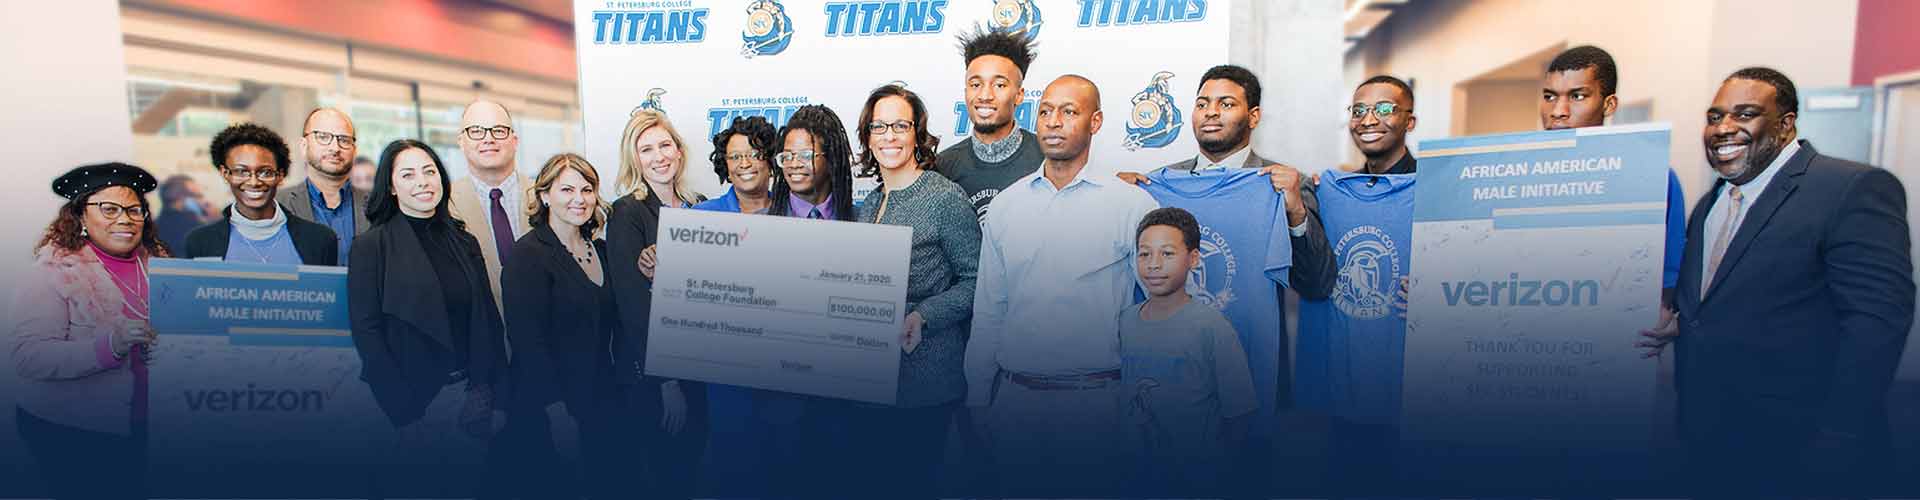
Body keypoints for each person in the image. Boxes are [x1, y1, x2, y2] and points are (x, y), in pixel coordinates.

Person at [1648, 67, 1913, 498]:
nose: (1723, 128)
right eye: (1715, 117)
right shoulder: (1712, 201)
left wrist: (1842, 434)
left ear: (1786, 124)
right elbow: (1723, 301)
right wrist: (1678, 321)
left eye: (1745, 114)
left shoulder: (1851, 188)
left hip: (1803, 447)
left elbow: (1876, 323)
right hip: (1709, 436)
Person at [1113, 64, 1338, 496]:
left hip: (1251, 378)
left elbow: (1317, 283)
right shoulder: (1152, 185)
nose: (1211, 113)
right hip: (1167, 386)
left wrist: (1294, 211)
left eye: (1226, 103)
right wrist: (1118, 199)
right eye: (1202, 103)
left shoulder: (1278, 183)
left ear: (1253, 116)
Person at [965, 75, 1161, 496]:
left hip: (1098, 406)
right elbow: (989, 310)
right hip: (1015, 404)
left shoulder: (1132, 206)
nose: (1053, 122)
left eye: (1069, 111)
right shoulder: (1007, 205)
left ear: (1096, 121)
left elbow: (1162, 313)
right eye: (1046, 111)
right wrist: (979, 398)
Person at [347, 139, 510, 493]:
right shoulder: (371, 247)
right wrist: (404, 414)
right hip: (410, 405)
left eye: (429, 171)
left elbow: (487, 318)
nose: (422, 182)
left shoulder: (463, 241)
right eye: (408, 174)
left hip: (468, 399)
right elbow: (367, 334)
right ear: (391, 187)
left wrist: (488, 390)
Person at [849, 85, 981, 500]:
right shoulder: (867, 205)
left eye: (900, 125)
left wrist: (923, 316)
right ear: (868, 138)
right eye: (879, 126)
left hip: (927, 381)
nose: (889, 136)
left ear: (916, 133)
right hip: (871, 381)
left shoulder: (944, 197)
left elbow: (976, 281)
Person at [1294, 75, 1421, 494]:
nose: (1369, 119)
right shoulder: (1326, 189)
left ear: (1410, 121)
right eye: (1359, 109)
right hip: (1341, 388)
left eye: (1385, 109)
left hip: (1411, 390)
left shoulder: (1437, 193)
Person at [12, 163, 165, 500]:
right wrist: (108, 347)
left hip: (149, 427)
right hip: (73, 430)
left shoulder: (163, 266)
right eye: (109, 209)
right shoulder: (51, 272)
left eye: (134, 209)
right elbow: (29, 357)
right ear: (81, 216)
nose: (124, 219)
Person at [1535, 45, 1688, 326]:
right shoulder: (1514, 180)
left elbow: (1665, 291)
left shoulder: (1652, 179)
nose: (1559, 111)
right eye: (1549, 97)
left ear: (1609, 104)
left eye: (1578, 96)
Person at [604, 109, 708, 500]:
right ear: (635, 159)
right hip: (657, 377)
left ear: (679, 151)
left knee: (699, 469)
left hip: (704, 365)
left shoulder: (702, 205)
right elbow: (633, 306)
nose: (658, 156)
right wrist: (667, 382)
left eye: (665, 145)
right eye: (645, 149)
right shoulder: (627, 213)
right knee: (668, 474)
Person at [500, 153, 618, 499]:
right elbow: (527, 342)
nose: (579, 199)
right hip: (550, 405)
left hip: (600, 397)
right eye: (567, 189)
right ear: (545, 195)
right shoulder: (528, 255)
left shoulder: (602, 250)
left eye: (587, 189)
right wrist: (557, 412)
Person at [1121, 207, 1257, 496]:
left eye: (1167, 254)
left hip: (1196, 478)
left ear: (1193, 259)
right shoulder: (1124, 323)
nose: (1154, 264)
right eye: (1144, 254)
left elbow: (1240, 414)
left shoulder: (1211, 327)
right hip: (1135, 476)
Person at [183, 123, 340, 266]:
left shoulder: (319, 240)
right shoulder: (200, 242)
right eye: (241, 171)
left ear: (280, 175)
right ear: (225, 173)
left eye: (265, 172)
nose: (253, 182)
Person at [937, 25, 1045, 224]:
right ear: (966, 91)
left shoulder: (1047, 159)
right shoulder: (942, 166)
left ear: (1019, 95)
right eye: (975, 85)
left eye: (999, 85)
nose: (985, 96)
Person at [278, 107, 371, 263]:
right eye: (323, 137)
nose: (335, 148)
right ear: (303, 146)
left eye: (344, 140)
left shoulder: (379, 204)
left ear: (354, 150)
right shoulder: (277, 204)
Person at [695, 116, 778, 214]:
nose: (745, 164)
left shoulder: (792, 210)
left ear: (770, 161)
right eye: (735, 157)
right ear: (726, 166)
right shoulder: (702, 213)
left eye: (754, 155)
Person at [155, 174, 216, 253]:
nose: (204, 201)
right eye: (196, 195)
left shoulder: (153, 226)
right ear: (179, 197)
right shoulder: (196, 227)